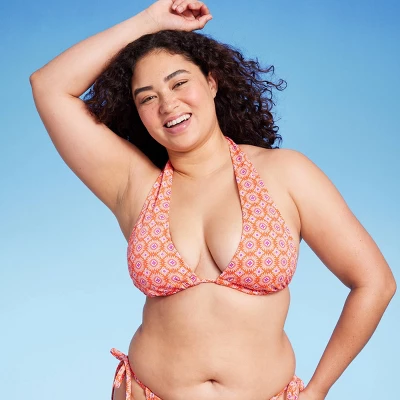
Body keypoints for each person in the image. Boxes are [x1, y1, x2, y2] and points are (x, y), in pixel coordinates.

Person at [30, 0, 396, 399]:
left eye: (179, 83)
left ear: (212, 82)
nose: (168, 104)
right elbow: (48, 86)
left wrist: (317, 390)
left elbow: (374, 283)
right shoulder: (134, 185)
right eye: (147, 98)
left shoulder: (285, 174)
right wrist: (149, 21)